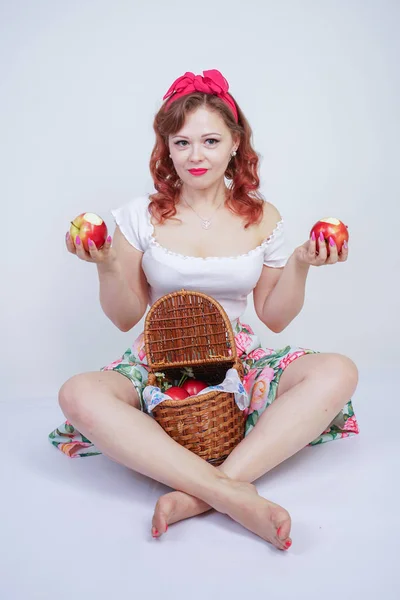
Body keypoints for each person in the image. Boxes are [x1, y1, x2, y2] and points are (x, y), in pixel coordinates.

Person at [49, 69, 359, 551]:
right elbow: (125, 316)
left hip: (239, 359)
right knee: (77, 393)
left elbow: (273, 317)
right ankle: (233, 496)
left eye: (210, 141)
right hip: (159, 361)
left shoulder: (263, 217)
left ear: (236, 143)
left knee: (339, 371)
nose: (196, 156)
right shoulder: (138, 216)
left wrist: (301, 262)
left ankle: (199, 495)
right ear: (167, 148)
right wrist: (107, 263)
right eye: (182, 142)